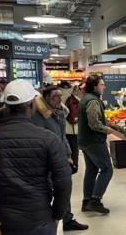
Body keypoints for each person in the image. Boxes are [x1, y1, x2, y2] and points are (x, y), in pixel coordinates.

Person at [0, 79, 72, 234]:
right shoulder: (47, 138)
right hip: (40, 221)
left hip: (0, 224)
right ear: (31, 105)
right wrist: (57, 215)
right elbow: (64, 181)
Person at [32, 86, 89, 232]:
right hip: (46, 161)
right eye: (54, 97)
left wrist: (68, 155)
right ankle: (47, 223)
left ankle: (67, 220)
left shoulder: (60, 113)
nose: (58, 99)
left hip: (60, 159)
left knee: (64, 189)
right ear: (45, 98)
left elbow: (62, 137)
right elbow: (42, 140)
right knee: (47, 193)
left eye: (59, 95)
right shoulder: (38, 116)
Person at [78, 75, 114, 214]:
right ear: (94, 86)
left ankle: (86, 201)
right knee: (107, 170)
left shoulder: (85, 98)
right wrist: (108, 129)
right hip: (94, 141)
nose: (104, 87)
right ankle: (95, 200)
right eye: (101, 84)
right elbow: (94, 124)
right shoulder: (93, 101)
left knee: (91, 170)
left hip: (85, 140)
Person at [65, 85, 82, 169]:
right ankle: (75, 164)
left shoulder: (63, 100)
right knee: (75, 147)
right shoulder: (78, 100)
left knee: (67, 147)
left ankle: (68, 164)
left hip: (65, 129)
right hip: (75, 128)